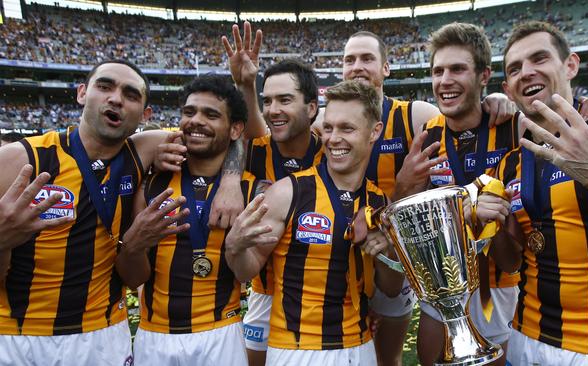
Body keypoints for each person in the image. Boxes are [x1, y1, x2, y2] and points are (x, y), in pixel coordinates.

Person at [0, 59, 189, 366]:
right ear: (82, 94)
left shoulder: (143, 151)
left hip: (102, 337)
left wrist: (233, 180)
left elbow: (230, 138)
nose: (115, 98)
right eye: (105, 86)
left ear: (145, 115)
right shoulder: (19, 159)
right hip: (17, 336)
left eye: (130, 94)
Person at [492, 21, 588, 365]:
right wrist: (492, 228)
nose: (526, 72)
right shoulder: (512, 162)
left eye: (539, 59)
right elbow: (511, 262)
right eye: (515, 69)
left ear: (570, 65)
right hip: (525, 337)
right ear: (507, 88)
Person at [225, 80, 404, 366]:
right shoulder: (288, 192)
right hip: (295, 351)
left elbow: (391, 288)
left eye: (347, 128)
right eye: (329, 127)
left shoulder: (379, 201)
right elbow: (247, 267)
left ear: (375, 132)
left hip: (360, 348)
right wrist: (234, 247)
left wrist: (387, 253)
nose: (334, 139)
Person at [385, 23, 520, 366]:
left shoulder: (512, 126)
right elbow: (404, 208)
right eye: (438, 71)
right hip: (443, 286)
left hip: (499, 284)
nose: (445, 80)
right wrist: (403, 185)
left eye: (458, 69)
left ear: (484, 75)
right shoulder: (427, 137)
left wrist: (510, 102)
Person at [116, 74, 259, 365]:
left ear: (235, 129)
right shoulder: (152, 182)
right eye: (189, 112)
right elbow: (133, 277)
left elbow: (246, 274)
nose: (196, 121)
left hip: (222, 333)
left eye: (211, 114)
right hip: (153, 334)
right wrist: (132, 245)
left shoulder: (252, 189)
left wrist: (237, 246)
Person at [222, 27, 324, 366]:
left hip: (324, 291)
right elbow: (243, 132)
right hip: (265, 293)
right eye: (267, 101)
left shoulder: (334, 153)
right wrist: (245, 85)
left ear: (312, 108)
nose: (273, 109)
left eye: (285, 99)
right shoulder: (250, 152)